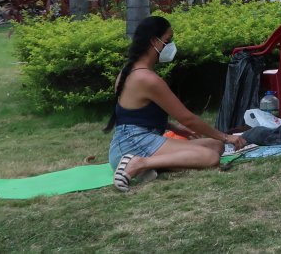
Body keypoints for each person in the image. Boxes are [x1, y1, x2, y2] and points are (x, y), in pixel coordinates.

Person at [105, 16, 247, 192]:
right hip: (133, 145)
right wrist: (226, 137)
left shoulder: (130, 72)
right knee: (210, 157)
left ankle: (150, 166)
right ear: (153, 42)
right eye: (167, 40)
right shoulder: (147, 78)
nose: (170, 46)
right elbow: (188, 118)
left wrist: (175, 128)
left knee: (215, 146)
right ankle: (140, 163)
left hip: (133, 141)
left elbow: (135, 114)